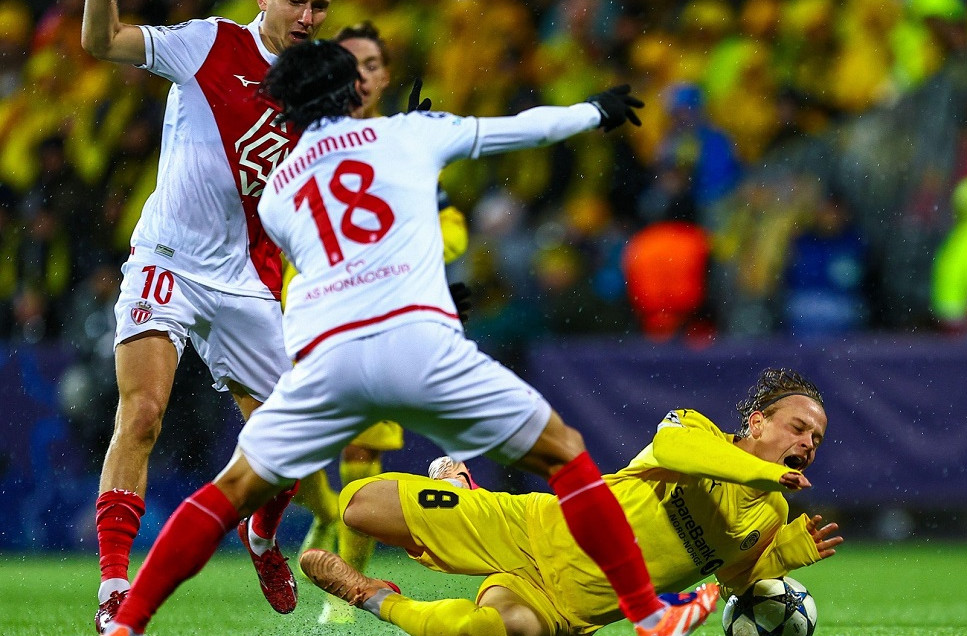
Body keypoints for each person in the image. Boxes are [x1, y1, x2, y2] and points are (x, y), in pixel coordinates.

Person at [100, 39, 720, 636]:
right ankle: (648, 615)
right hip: (421, 346)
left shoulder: (279, 193)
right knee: (563, 452)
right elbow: (517, 129)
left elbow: (325, 269)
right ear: (353, 94)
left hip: (333, 357)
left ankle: (128, 621)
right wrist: (593, 112)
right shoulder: (406, 133)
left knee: (231, 488)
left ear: (287, 109)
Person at [81, 0, 333, 630]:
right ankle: (114, 589)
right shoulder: (208, 44)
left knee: (295, 442)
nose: (308, 16)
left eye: (322, 4)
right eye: (297, 1)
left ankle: (261, 535)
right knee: (142, 413)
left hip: (246, 280)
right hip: (168, 259)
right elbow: (103, 41)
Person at [299, 367, 843, 636]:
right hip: (532, 529)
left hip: (567, 608)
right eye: (798, 428)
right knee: (358, 506)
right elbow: (676, 449)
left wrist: (782, 557)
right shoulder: (694, 430)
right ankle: (464, 492)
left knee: (490, 631)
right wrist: (763, 472)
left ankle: (372, 596)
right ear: (756, 422)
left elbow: (732, 582)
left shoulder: (773, 514)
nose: (807, 445)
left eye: (816, 440)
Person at [288, 22, 471, 624]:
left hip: (374, 311)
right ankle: (325, 511)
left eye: (369, 65)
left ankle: (343, 593)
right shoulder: (294, 132)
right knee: (284, 446)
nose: (359, 77)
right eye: (348, 65)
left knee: (361, 444)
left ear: (385, 76)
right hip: (301, 304)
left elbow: (450, 228)